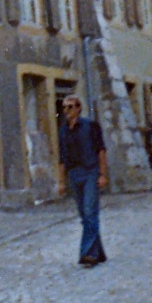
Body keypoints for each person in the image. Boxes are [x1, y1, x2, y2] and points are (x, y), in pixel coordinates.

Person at [57, 95, 108, 268]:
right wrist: (61, 181)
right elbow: (62, 157)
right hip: (74, 174)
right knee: (84, 215)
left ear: (79, 108)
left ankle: (87, 253)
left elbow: (101, 150)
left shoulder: (91, 126)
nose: (66, 111)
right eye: (64, 107)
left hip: (90, 172)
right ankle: (98, 252)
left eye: (70, 107)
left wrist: (102, 174)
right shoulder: (63, 131)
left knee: (89, 210)